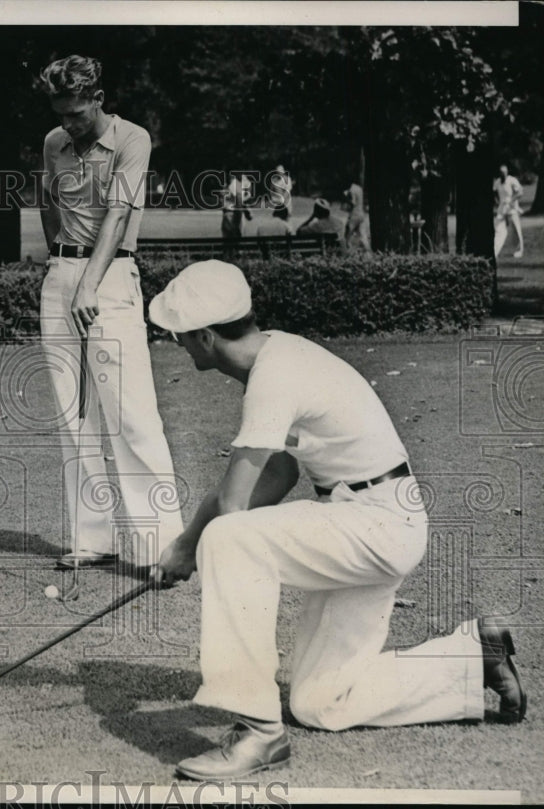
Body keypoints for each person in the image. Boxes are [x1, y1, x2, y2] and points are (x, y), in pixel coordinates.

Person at [148, 260, 527, 780]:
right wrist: (192, 546)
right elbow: (278, 474)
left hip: (377, 525)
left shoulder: (273, 375)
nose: (177, 344)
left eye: (179, 335)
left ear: (207, 337)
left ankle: (258, 733)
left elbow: (234, 508)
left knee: (229, 539)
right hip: (367, 521)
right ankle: (472, 657)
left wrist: (190, 546)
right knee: (320, 702)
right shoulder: (275, 355)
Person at [39, 54, 183, 569]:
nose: (68, 125)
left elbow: (119, 215)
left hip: (112, 280)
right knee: (71, 414)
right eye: (60, 114)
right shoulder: (55, 142)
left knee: (131, 415)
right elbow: (48, 204)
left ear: (98, 99)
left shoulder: (133, 139)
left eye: (76, 114)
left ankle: (160, 546)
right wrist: (62, 269)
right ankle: (91, 539)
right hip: (61, 278)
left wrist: (89, 284)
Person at [493, 164, 524, 259]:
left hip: (511, 208)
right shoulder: (497, 182)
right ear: (499, 173)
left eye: (505, 172)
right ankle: (495, 251)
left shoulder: (512, 180)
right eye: (501, 173)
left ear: (507, 172)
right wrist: (497, 202)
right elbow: (494, 193)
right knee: (499, 229)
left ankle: (519, 251)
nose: (503, 174)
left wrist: (511, 200)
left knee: (516, 229)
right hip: (502, 208)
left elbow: (520, 192)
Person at [221, 174, 253, 238]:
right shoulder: (234, 185)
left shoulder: (231, 186)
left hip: (230, 214)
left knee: (229, 239)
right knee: (235, 238)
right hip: (233, 214)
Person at [343, 180, 371, 252]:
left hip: (354, 215)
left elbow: (353, 203)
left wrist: (346, 196)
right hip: (361, 214)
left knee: (347, 236)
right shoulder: (359, 188)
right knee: (363, 236)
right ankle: (369, 253)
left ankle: (345, 253)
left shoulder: (351, 190)